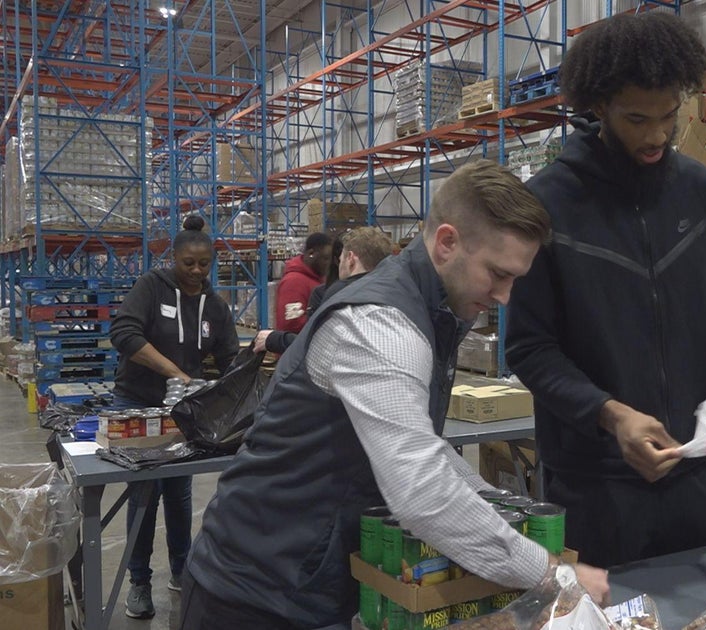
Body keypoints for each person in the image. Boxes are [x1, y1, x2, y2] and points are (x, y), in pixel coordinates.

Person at [181, 160, 609, 629]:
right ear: (447, 243)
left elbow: (428, 452)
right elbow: (421, 491)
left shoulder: (431, 310)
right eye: (498, 274)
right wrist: (552, 574)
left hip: (307, 585)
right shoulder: (381, 325)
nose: (506, 297)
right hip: (255, 594)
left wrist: (496, 504)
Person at [504, 11, 706, 569]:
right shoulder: (550, 206)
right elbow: (529, 348)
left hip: (697, 477)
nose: (655, 135)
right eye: (636, 118)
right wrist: (611, 415)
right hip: (593, 488)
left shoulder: (701, 194)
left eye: (669, 116)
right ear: (598, 106)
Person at [109, 214, 240, 619]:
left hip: (183, 413)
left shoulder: (214, 307)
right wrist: (178, 373)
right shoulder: (151, 287)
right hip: (139, 403)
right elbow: (124, 333)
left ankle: (182, 571)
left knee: (179, 495)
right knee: (144, 495)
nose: (197, 272)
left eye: (204, 265)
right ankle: (139, 582)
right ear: (174, 259)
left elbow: (230, 358)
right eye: (189, 264)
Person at [253, 227, 395, 354]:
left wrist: (275, 340)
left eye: (340, 259)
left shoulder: (341, 294)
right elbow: (291, 323)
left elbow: (318, 343)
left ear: (351, 259)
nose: (333, 264)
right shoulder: (395, 294)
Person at [274, 231, 332, 334]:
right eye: (325, 258)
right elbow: (291, 324)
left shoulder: (317, 279)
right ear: (311, 254)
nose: (328, 264)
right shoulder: (294, 282)